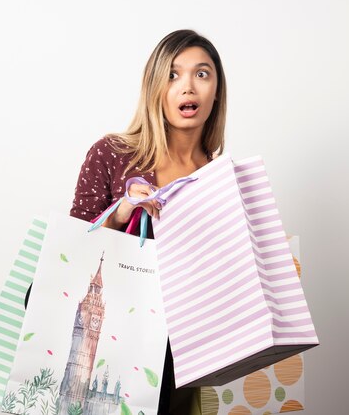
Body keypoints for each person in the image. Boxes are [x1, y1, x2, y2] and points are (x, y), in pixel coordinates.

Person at [69, 29, 227, 414]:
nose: (187, 86)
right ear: (154, 87)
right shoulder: (112, 154)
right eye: (173, 75)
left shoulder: (221, 178)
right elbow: (71, 255)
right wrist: (121, 212)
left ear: (216, 92)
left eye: (201, 74)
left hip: (186, 358)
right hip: (113, 345)